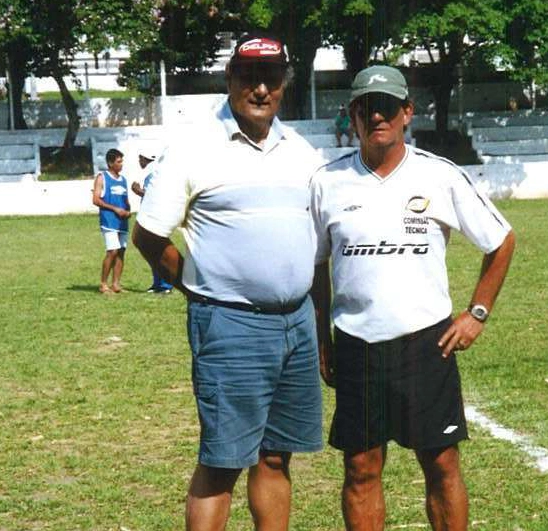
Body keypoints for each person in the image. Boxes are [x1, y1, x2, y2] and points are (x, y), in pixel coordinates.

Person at [310, 65, 516, 531]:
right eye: (366, 106)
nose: (376, 115)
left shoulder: (439, 175)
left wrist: (476, 314)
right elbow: (316, 266)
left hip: (426, 343)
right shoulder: (327, 183)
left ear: (407, 112)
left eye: (386, 106)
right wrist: (322, 336)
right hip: (357, 344)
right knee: (361, 469)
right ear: (353, 115)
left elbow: (501, 240)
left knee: (441, 466)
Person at [132, 32, 323, 531]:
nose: (261, 89)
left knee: (276, 457)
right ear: (230, 80)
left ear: (285, 82)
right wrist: (194, 287)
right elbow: (148, 236)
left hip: (297, 324)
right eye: (249, 77)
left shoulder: (302, 151)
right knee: (222, 463)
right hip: (230, 325)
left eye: (271, 78)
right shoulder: (196, 148)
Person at [131, 148, 173, 294]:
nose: (139, 162)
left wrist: (140, 191)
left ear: (145, 158)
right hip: (149, 214)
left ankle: (166, 284)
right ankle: (157, 283)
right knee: (152, 251)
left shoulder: (153, 170)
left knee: (157, 250)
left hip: (156, 215)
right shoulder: (149, 170)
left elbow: (152, 192)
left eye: (140, 158)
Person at [92, 148, 131, 294]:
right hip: (109, 221)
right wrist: (115, 209)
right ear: (110, 163)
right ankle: (103, 284)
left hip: (122, 221)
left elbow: (125, 200)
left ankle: (116, 284)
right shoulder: (102, 178)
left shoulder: (123, 180)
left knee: (121, 251)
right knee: (112, 251)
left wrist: (127, 210)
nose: (121, 164)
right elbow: (96, 199)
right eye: (118, 162)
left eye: (122, 161)